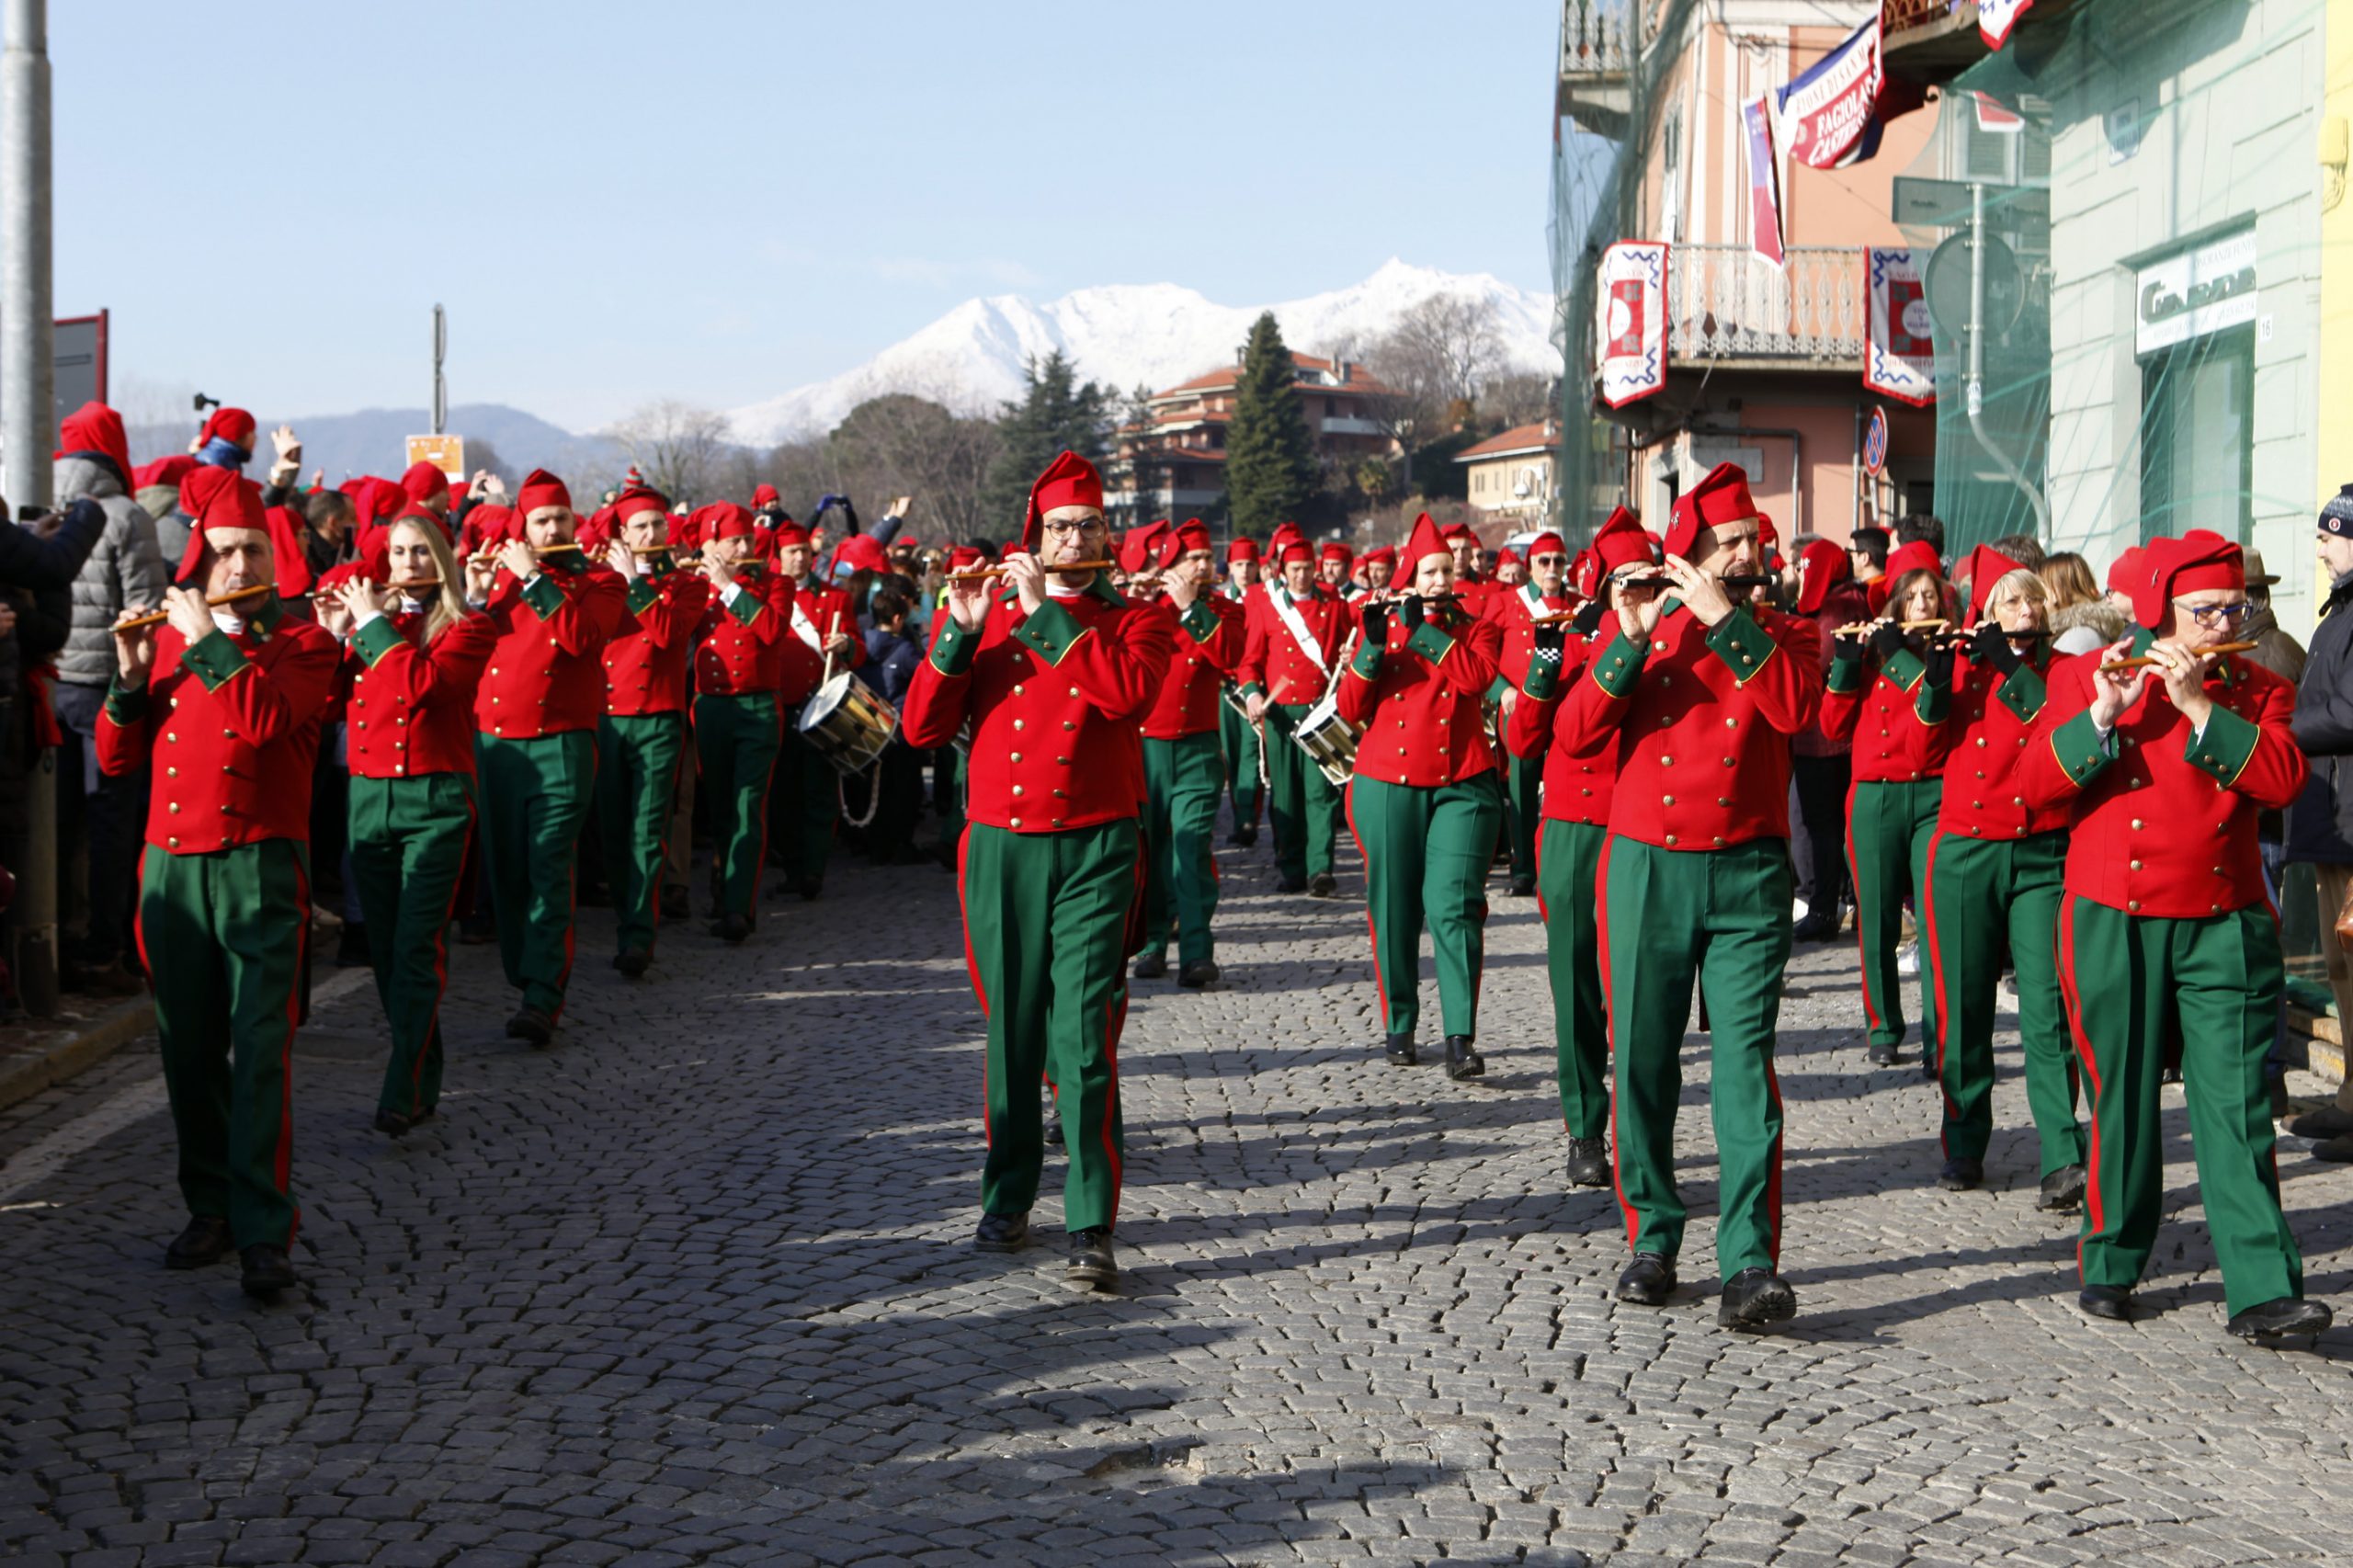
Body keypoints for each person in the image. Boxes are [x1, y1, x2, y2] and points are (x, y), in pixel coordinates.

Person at [2021, 528, 2330, 1344]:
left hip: (2223, 921)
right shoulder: (2094, 676)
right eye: (2210, 608)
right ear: (2163, 612)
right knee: (2122, 1096)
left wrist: (2198, 707)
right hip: (2112, 918)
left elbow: (2286, 781)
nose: (2231, 619)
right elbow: (2032, 792)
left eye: (2240, 605)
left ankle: (2263, 1287)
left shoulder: (2260, 689)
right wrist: (2098, 717)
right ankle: (2114, 1259)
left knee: (2233, 1106)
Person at [1552, 462, 1823, 1332]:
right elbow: (1573, 735)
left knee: (1746, 1066)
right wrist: (1627, 636)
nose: (1753, 551)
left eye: (1755, 538)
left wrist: (1726, 621)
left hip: (1749, 871)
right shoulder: (1642, 628)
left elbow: (1797, 712)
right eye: (1732, 541)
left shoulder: (1786, 634)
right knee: (1642, 1060)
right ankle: (1653, 1235)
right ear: (1692, 552)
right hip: (1646, 868)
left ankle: (1751, 1259)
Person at [902, 450, 1171, 1290]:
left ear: (1108, 537)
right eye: (1059, 527)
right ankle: (1010, 1193)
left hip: (1096, 842)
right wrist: (956, 630)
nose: (1074, 538)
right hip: (1001, 846)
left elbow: (1130, 696)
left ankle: (1090, 1221)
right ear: (1036, 537)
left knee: (1083, 1035)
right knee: (1010, 1029)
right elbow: (919, 730)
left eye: (1089, 525)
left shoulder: (1139, 619)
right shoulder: (986, 620)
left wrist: (1041, 616)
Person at [97, 468, 338, 1297]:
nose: (237, 568)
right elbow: (115, 761)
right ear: (198, 557)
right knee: (186, 1048)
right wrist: (130, 680)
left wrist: (204, 643)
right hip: (170, 868)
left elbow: (263, 721)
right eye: (224, 552)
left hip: (260, 866)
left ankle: (266, 1227)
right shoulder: (165, 638)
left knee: (261, 1050)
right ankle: (211, 1205)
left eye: (252, 552)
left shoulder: (307, 645)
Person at [1915, 550, 2086, 1203]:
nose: (2026, 609)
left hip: (2043, 851)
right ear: (1986, 613)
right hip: (1966, 852)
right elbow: (1922, 752)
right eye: (2011, 601)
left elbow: (2062, 727)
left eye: (2033, 599)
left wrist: (2011, 665)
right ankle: (1963, 1142)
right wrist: (1934, 679)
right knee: (1964, 1007)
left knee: (2048, 1009)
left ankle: (2063, 1155)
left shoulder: (2063, 670)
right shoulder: (1960, 666)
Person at [318, 510, 495, 1137]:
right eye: (397, 553)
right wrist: (333, 637)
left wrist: (368, 627)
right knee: (390, 954)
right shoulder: (377, 627)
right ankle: (425, 1072)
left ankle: (400, 1086)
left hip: (436, 801)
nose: (408, 565)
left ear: (442, 560)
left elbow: (419, 687)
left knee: (418, 946)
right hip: (369, 797)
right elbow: (322, 707)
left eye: (421, 552)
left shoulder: (468, 628)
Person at [1506, 509, 1647, 1191]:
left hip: (1645, 824)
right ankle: (1586, 1127)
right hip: (1572, 824)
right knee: (1575, 984)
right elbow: (1526, 742)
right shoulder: (1574, 636)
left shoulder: (1672, 634)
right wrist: (1542, 665)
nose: (1631, 592)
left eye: (1641, 578)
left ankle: (1644, 1133)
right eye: (1620, 579)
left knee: (1641, 988)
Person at [1338, 514, 1504, 1079]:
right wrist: (1374, 644)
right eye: (1428, 571)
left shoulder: (1476, 626)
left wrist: (1428, 632)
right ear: (1410, 576)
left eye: (1445, 570)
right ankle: (1400, 1026)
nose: (1439, 580)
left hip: (1461, 780)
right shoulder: (1384, 628)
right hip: (1388, 780)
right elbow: (1350, 708)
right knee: (1394, 906)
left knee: (1455, 906)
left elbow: (1476, 680)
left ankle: (1460, 1035)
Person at [465, 469, 627, 1046]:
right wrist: (475, 595)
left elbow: (583, 638)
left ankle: (543, 995)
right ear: (524, 527)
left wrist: (533, 577)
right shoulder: (500, 581)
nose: (553, 527)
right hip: (496, 747)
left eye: (561, 518)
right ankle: (527, 972)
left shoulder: (602, 582)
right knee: (506, 870)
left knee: (548, 867)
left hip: (562, 742)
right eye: (541, 520)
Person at [51, 401, 172, 996]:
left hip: (51, 689)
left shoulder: (38, 501)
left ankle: (50, 942)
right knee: (111, 827)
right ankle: (106, 950)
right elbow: (145, 612)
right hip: (106, 693)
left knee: (53, 826)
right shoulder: (127, 516)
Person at [1821, 559, 1950, 1066]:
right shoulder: (1873, 657)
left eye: (1930, 596)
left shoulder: (1945, 652)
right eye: (1913, 596)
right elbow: (1832, 729)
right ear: (1895, 603)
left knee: (1939, 918)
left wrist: (1899, 652)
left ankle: (1942, 1035)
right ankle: (1883, 1028)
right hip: (1875, 796)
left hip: (1935, 795)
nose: (1923, 606)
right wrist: (1848, 663)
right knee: (1876, 918)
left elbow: (1933, 707)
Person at [596, 489, 710, 976]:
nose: (649, 535)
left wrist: (635, 583)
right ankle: (627, 917)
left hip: (659, 717)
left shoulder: (687, 585)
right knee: (613, 831)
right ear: (622, 534)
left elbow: (668, 634)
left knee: (647, 832)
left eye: (657, 526)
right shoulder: (600, 583)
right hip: (605, 717)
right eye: (639, 527)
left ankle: (639, 934)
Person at [1134, 520, 1245, 985]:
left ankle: (1198, 951)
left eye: (1206, 558)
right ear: (1171, 566)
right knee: (1154, 848)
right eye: (1193, 560)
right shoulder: (1144, 609)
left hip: (1198, 745)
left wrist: (1190, 609)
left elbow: (1230, 655)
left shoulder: (1222, 609)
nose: (1204, 566)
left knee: (1191, 848)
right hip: (1147, 747)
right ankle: (1153, 943)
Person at [691, 504, 798, 941]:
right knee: (718, 808)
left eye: (747, 541)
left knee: (747, 809)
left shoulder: (777, 583)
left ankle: (740, 907)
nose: (743, 548)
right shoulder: (694, 585)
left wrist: (728, 586)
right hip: (712, 706)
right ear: (710, 546)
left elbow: (772, 630)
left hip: (757, 708)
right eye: (733, 541)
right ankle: (722, 888)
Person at [2287, 485, 2353, 1162]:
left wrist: (2281, 726)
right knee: (2340, 967)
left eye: (2330, 535)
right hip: (2334, 817)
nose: (2321, 547)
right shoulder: (2342, 607)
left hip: (2350, 819)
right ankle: (2348, 1101)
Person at [1239, 539, 1349, 898]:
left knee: (1321, 793)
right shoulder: (1269, 608)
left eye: (1306, 568)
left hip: (1319, 711)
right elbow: (1250, 661)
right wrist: (1254, 694)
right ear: (1283, 572)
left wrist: (1350, 653)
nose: (1301, 576)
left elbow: (1357, 635)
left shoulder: (1333, 603)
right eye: (1294, 569)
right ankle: (1291, 866)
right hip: (1280, 714)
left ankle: (1321, 868)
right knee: (1285, 794)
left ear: (1315, 569)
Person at [768, 518, 861, 901]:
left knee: (819, 792)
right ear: (779, 557)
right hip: (781, 704)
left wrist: (846, 645)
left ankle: (813, 870)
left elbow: (860, 648)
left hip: (820, 705)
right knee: (783, 793)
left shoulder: (836, 598)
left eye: (805, 551)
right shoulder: (767, 596)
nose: (800, 558)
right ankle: (792, 867)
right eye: (792, 551)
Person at [1487, 529, 1576, 899]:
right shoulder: (1507, 603)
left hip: (1564, 712)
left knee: (1561, 790)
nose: (1552, 568)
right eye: (1544, 561)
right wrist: (1502, 690)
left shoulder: (1578, 603)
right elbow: (1482, 656)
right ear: (1530, 566)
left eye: (1558, 560)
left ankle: (1553, 865)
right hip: (1520, 710)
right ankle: (1522, 868)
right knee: (1521, 792)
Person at [1790, 538, 1869, 943]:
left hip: (1821, 736)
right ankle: (1849, 904)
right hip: (1842, 735)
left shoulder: (1835, 610)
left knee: (1821, 827)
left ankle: (1822, 910)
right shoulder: (1856, 599)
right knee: (1838, 826)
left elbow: (1816, 658)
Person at [855, 586, 926, 865]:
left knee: (875, 790)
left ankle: (876, 844)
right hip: (900, 730)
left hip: (870, 729)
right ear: (898, 618)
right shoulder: (905, 649)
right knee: (905, 792)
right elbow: (925, 678)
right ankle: (900, 845)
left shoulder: (861, 643)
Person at [1216, 538, 1265, 848]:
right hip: (1223, 690)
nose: (1244, 571)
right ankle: (1238, 813)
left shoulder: (1266, 598)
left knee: (1250, 752)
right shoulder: (1218, 598)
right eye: (1238, 565)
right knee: (1230, 754)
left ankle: (1248, 818)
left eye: (1249, 565)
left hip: (1253, 689)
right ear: (1229, 567)